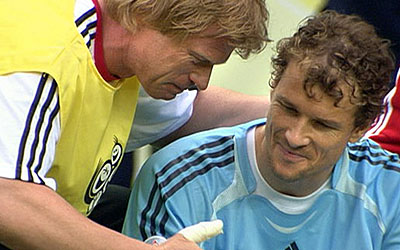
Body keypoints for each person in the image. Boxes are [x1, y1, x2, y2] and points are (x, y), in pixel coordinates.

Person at [0, 0, 270, 249]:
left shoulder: (122, 57)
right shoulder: (47, 56)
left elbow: (190, 113)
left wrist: (288, 111)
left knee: (122, 208)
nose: (202, 80)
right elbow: (9, 200)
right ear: (144, 14)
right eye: (198, 60)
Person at [123, 10, 399, 250]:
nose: (295, 136)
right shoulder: (175, 181)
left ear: (360, 128)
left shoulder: (391, 191)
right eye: (288, 109)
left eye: (322, 124)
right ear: (273, 87)